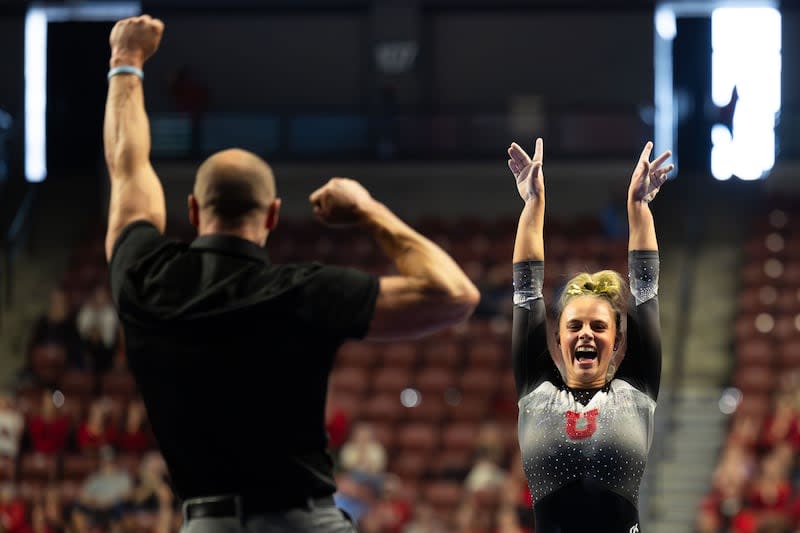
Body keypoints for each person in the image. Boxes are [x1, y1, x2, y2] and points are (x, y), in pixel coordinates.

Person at [102, 14, 479, 533]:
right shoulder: (302, 291)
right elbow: (454, 294)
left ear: (192, 210)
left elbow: (127, 169)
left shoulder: (144, 279)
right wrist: (367, 209)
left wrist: (126, 61)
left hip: (207, 524)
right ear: (273, 215)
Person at [508, 137, 672, 532]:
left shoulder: (636, 389)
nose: (585, 334)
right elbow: (527, 290)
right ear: (558, 338)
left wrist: (639, 208)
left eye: (599, 326)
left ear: (617, 341)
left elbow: (645, 290)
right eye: (574, 325)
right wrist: (533, 205)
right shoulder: (536, 390)